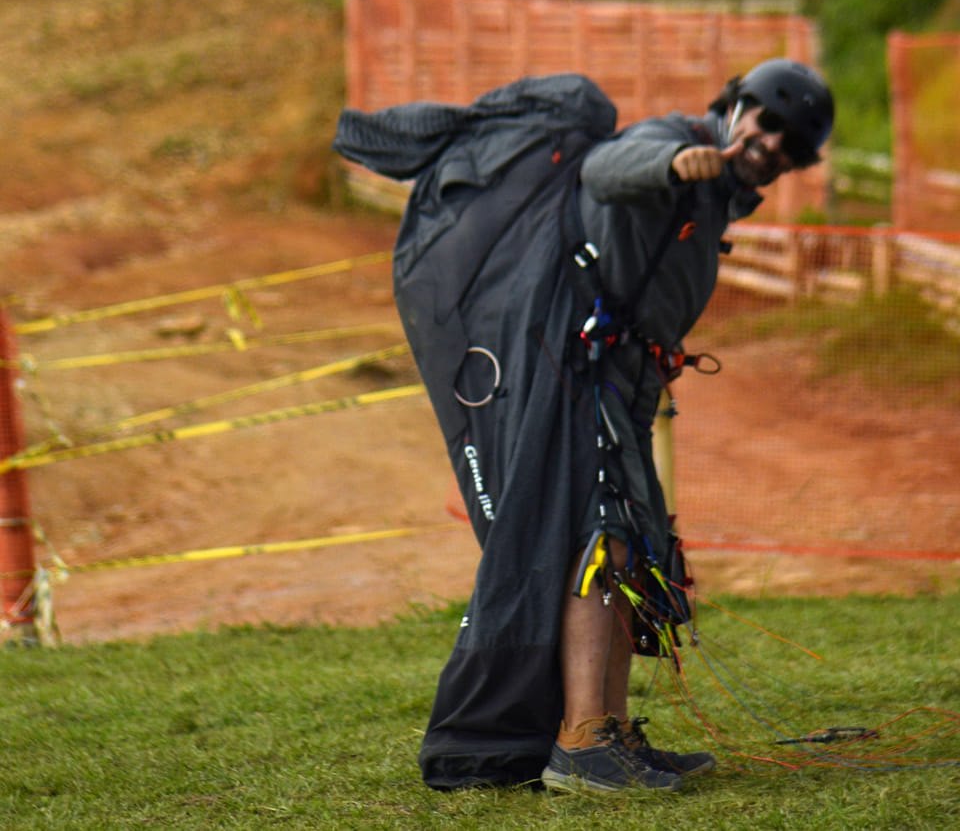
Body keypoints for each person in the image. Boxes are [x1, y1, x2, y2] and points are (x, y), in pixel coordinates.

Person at [333, 58, 834, 794]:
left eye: (788, 141)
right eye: (763, 119)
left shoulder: (724, 196)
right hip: (581, 368)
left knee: (630, 551)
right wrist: (672, 164)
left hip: (627, 380)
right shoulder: (675, 141)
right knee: (603, 542)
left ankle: (613, 731)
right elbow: (607, 169)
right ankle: (582, 739)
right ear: (736, 106)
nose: (769, 141)